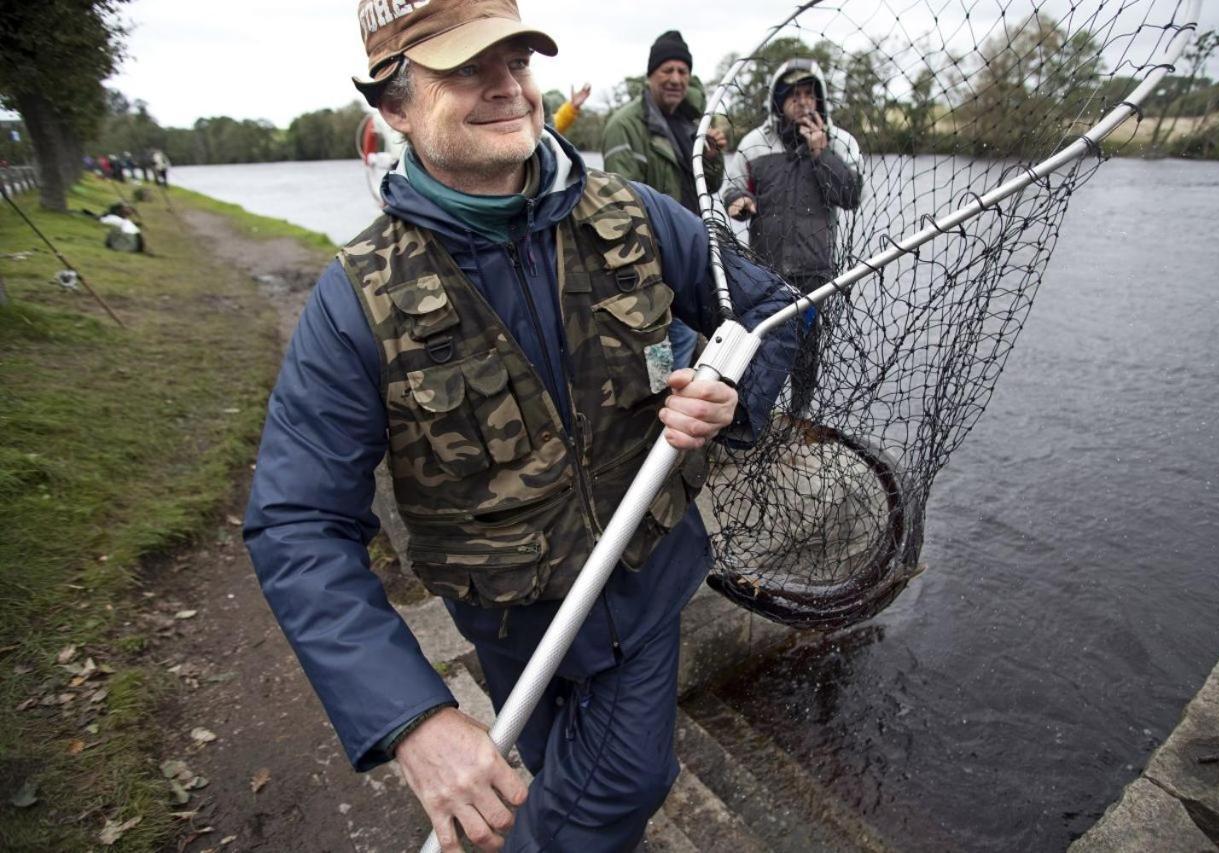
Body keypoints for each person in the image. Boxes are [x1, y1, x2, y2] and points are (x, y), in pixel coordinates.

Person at [243, 2, 795, 851]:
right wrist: (414, 718)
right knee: (553, 758)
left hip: (643, 583)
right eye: (468, 69)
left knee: (623, 780)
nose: (508, 88)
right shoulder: (355, 299)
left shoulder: (636, 213)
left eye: (517, 62)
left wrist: (732, 394)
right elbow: (297, 522)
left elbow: (766, 310)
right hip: (506, 620)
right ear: (392, 106)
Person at [723, 59, 863, 418]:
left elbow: (849, 196)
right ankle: (752, 418)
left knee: (805, 351)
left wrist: (821, 152)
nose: (803, 102)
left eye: (809, 95)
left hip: (813, 269)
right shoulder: (755, 143)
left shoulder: (840, 142)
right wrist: (737, 202)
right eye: (794, 96)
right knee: (758, 346)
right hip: (763, 269)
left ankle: (798, 417)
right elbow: (733, 188)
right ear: (778, 102)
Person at [602, 30, 728, 370]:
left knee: (684, 338)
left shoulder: (690, 124)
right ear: (650, 75)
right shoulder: (624, 126)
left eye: (682, 72)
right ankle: (658, 412)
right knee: (657, 345)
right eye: (667, 70)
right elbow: (617, 209)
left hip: (688, 259)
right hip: (650, 268)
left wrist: (712, 156)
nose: (675, 79)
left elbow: (711, 185)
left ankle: (668, 405)